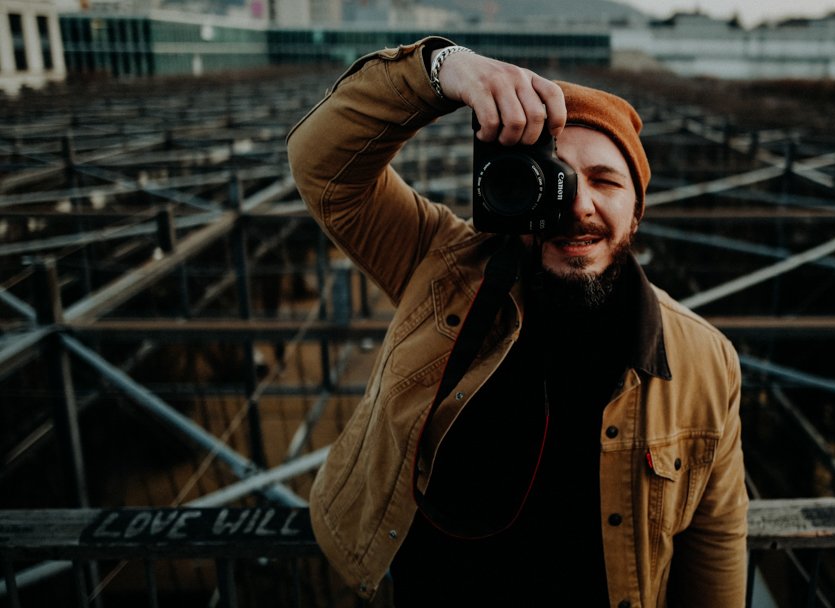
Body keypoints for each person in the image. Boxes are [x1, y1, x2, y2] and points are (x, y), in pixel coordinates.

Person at [287, 36, 748, 608]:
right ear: (509, 192)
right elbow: (322, 165)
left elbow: (716, 538)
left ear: (637, 210)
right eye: (552, 179)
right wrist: (441, 70)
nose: (577, 205)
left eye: (605, 181)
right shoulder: (440, 266)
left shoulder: (705, 361)